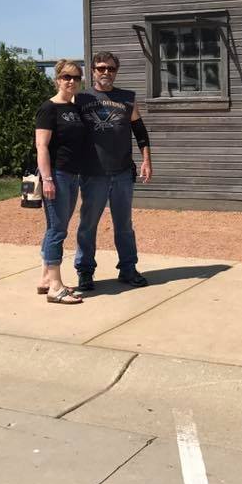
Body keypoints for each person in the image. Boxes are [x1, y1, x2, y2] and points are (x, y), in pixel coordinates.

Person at [74, 51, 153, 290]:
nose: (106, 72)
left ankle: (128, 269)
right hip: (93, 172)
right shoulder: (80, 98)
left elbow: (140, 132)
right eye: (101, 68)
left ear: (116, 72)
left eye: (111, 68)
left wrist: (146, 160)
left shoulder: (127, 98)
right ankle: (85, 271)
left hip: (122, 173)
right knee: (88, 225)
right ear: (93, 71)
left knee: (124, 225)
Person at [35, 59, 86, 304]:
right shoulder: (48, 108)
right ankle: (56, 287)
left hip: (73, 174)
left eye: (76, 77)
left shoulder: (74, 108)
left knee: (55, 227)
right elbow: (41, 146)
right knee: (58, 230)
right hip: (57, 175)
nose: (71, 81)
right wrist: (47, 179)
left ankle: (46, 278)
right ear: (57, 79)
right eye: (66, 77)